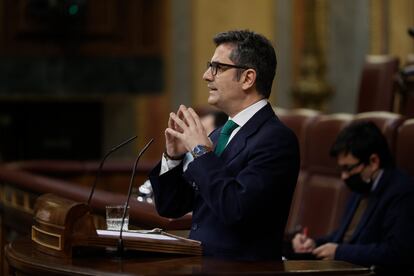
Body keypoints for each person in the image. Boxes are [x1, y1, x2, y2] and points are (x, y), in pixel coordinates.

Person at [149, 30, 300, 260]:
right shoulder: (221, 134)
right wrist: (173, 158)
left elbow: (236, 210)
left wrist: (201, 152)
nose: (206, 75)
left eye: (217, 67)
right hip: (202, 265)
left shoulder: (276, 140)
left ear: (248, 78)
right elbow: (172, 207)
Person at [291, 121, 414, 270]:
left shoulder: (401, 191)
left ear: (373, 161)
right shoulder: (361, 185)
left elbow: (396, 252)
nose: (344, 176)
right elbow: (345, 236)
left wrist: (339, 252)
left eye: (348, 168)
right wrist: (314, 243)